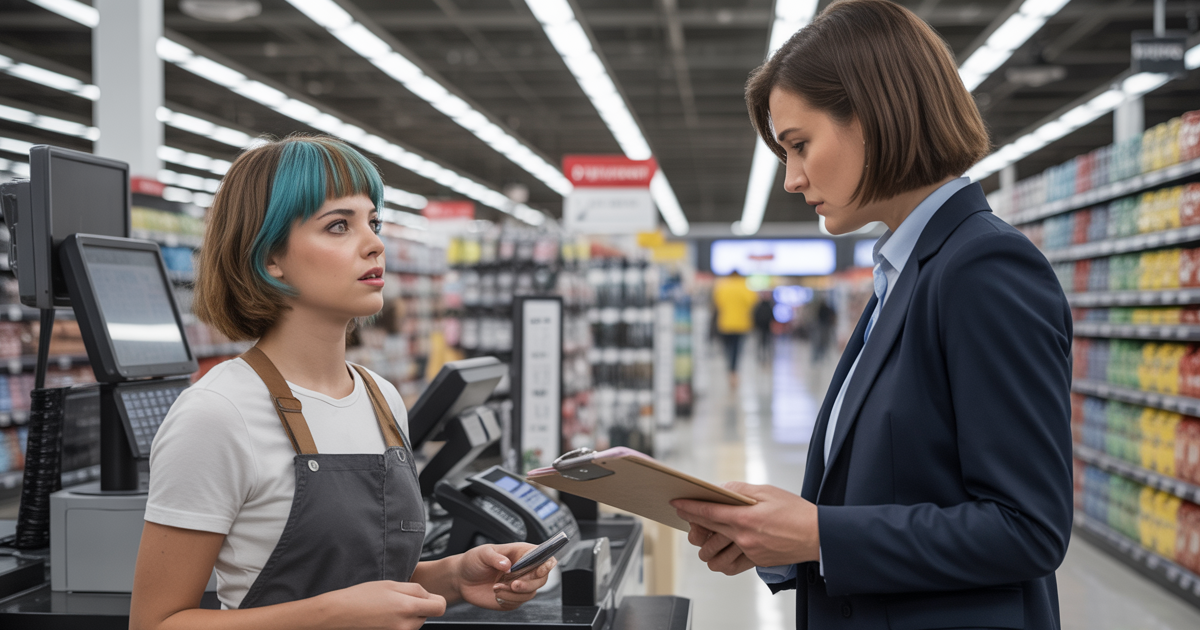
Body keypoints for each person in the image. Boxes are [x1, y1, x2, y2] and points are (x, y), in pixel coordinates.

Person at [671, 2, 1073, 629]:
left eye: (799, 145)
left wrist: (820, 534)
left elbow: (1026, 528)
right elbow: (898, 489)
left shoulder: (983, 268)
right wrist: (777, 541)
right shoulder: (905, 272)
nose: (791, 180)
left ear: (875, 116)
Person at [129, 135, 555, 630]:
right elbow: (156, 623)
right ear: (270, 258)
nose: (375, 242)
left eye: (372, 222)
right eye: (338, 226)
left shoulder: (380, 397)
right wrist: (331, 616)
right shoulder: (218, 413)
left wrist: (453, 576)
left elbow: (360, 574)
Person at [711, 271, 758, 383]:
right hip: (742, 324)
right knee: (737, 349)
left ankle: (730, 369)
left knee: (727, 348)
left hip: (725, 323)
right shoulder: (745, 286)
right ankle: (733, 371)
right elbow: (753, 302)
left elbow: (717, 302)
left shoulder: (722, 286)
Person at [752, 292, 775, 364]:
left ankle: (767, 356)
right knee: (761, 342)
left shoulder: (769, 306)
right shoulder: (760, 306)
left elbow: (772, 317)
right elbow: (755, 316)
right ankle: (761, 356)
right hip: (761, 327)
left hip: (766, 327)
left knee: (766, 342)